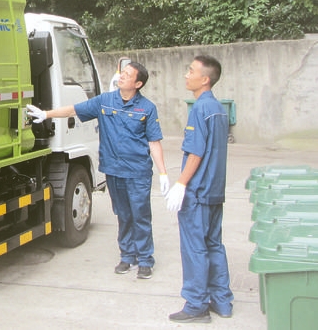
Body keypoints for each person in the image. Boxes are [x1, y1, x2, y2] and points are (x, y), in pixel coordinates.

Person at [27, 62, 168, 279]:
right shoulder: (105, 101)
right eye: (122, 72)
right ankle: (127, 256)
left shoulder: (147, 108)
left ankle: (146, 260)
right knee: (122, 214)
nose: (121, 76)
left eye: (127, 75)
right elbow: (74, 109)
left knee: (140, 215)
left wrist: (163, 173)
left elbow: (154, 142)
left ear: (138, 83)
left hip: (138, 172)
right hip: (114, 170)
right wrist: (46, 114)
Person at [166, 55, 234, 323]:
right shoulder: (218, 109)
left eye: (191, 71)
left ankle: (196, 305)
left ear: (205, 79)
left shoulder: (199, 109)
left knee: (194, 248)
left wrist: (181, 183)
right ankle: (222, 301)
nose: (186, 74)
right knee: (214, 244)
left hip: (198, 191)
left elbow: (196, 151)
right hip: (215, 191)